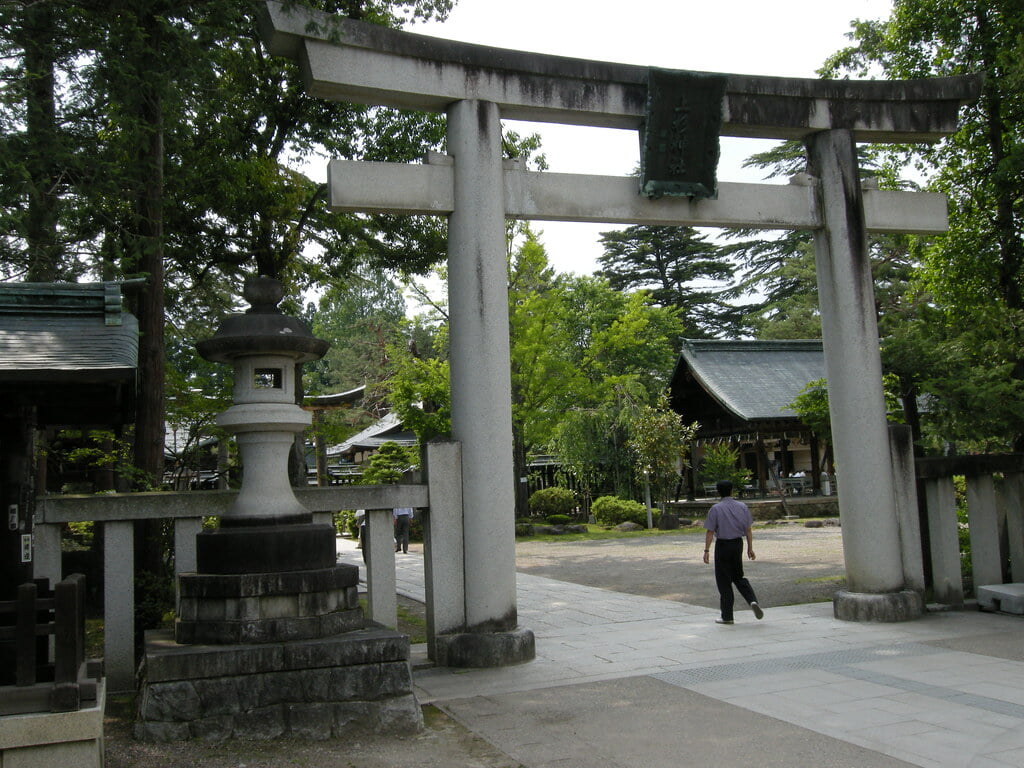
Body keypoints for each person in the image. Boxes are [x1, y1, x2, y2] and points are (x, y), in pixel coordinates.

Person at [703, 480, 764, 625]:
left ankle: (727, 615)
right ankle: (752, 600)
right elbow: (748, 529)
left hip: (723, 545)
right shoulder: (742, 507)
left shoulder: (716, 509)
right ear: (731, 491)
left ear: (718, 492)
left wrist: (706, 550)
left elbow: (710, 531)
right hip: (738, 544)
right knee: (738, 576)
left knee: (724, 580)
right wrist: (750, 548)